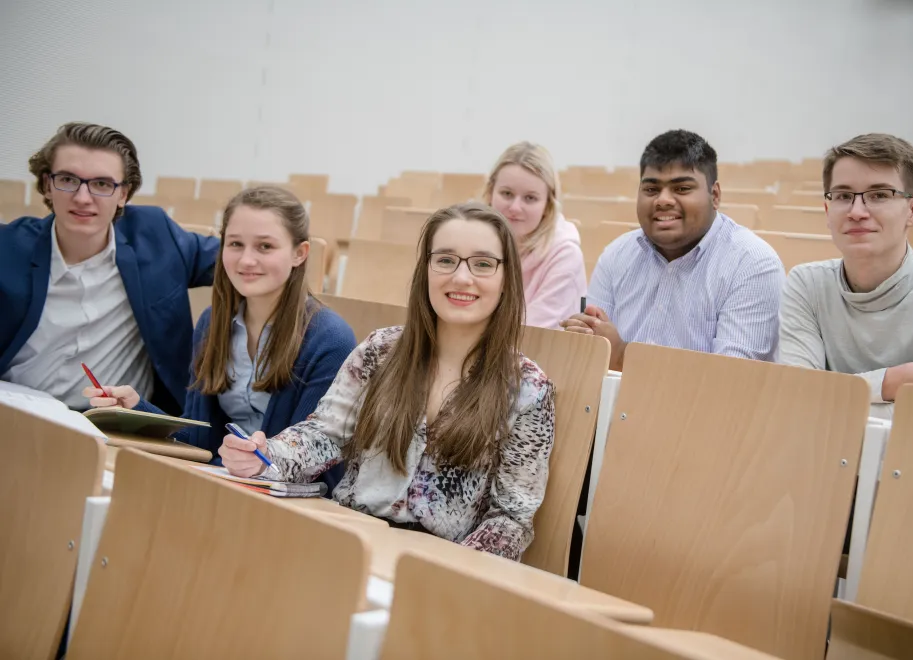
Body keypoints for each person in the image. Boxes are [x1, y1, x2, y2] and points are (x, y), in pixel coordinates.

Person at [220, 202, 556, 561]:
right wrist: (264, 456)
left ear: (506, 280)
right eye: (445, 260)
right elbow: (323, 436)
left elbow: (511, 519)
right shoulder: (380, 350)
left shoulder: (528, 389)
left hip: (438, 570)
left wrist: (447, 575)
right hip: (349, 544)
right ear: (425, 269)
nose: (461, 278)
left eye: (483, 264)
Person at [84, 186, 357, 461]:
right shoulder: (212, 322)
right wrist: (137, 411)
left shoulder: (330, 339)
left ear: (300, 253)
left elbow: (314, 462)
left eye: (265, 246)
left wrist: (243, 465)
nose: (247, 260)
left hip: (283, 494)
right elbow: (199, 440)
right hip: (219, 479)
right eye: (235, 244)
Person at [0, 122, 219, 414]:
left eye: (102, 184)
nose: (82, 197)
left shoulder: (155, 236)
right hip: (17, 419)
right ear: (46, 185)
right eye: (67, 179)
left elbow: (238, 261)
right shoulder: (8, 248)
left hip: (117, 429)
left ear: (123, 194)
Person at [778, 133, 913, 418]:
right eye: (843, 196)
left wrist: (825, 395)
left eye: (879, 195)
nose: (856, 211)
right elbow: (793, 398)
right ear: (828, 210)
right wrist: (896, 380)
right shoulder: (806, 283)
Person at [561, 130, 784, 370]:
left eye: (682, 189)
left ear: (715, 195)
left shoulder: (752, 264)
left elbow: (730, 382)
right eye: (651, 190)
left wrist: (622, 357)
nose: (663, 200)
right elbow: (591, 359)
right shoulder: (616, 255)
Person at [483, 142, 586, 329]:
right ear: (490, 193)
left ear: (547, 205)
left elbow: (532, 334)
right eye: (506, 193)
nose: (514, 207)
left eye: (530, 198)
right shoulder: (476, 240)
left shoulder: (565, 255)